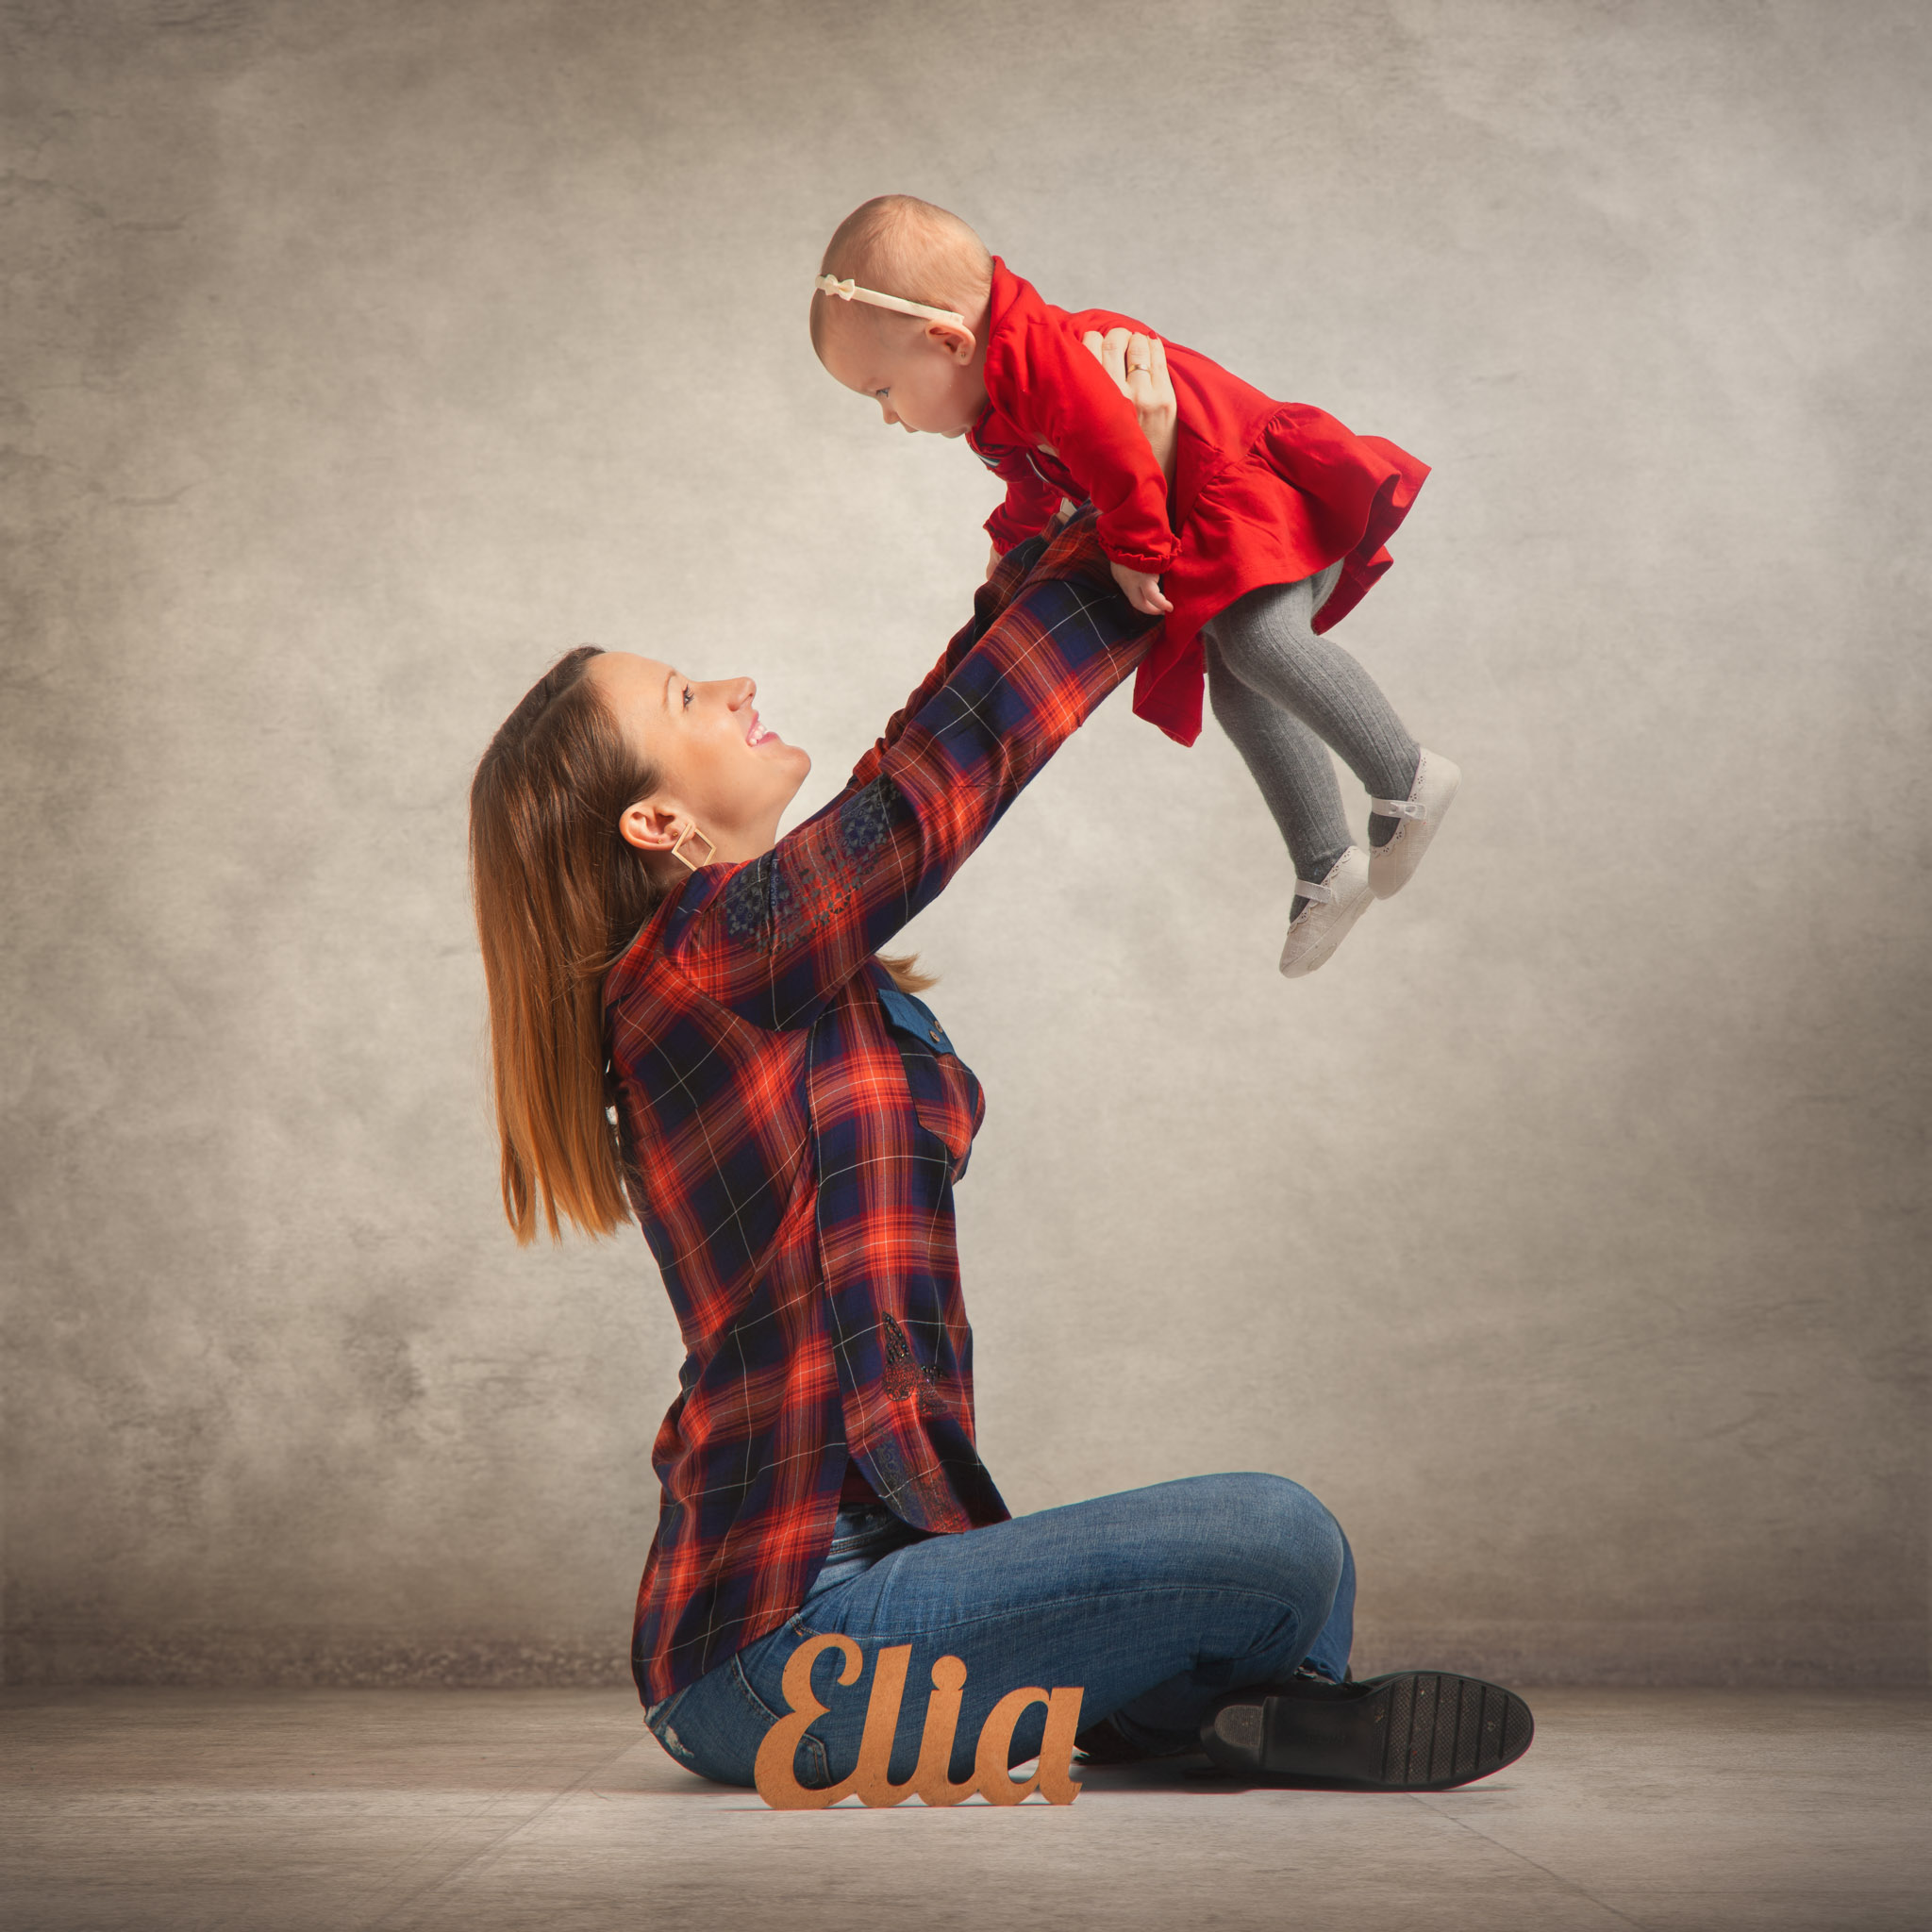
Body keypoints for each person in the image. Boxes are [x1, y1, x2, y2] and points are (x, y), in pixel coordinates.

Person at [468, 334, 1530, 1796]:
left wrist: (1066, 499)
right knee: (1276, 1538)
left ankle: (1241, 1715)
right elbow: (928, 791)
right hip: (778, 1651)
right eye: (682, 702)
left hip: (905, 1593)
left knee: (1292, 1556)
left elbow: (925, 729)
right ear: (654, 825)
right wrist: (1128, 533)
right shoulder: (698, 966)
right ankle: (1232, 1710)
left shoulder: (788, 968)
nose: (732, 683)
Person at [810, 193, 1459, 979]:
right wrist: (1010, 552)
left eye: (882, 390)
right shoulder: (998, 407)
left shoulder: (1050, 357)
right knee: (1239, 687)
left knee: (1260, 642)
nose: (887, 416)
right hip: (1203, 510)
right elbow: (1032, 489)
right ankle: (1326, 867)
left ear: (949, 340)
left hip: (1248, 487)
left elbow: (1119, 452)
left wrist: (1134, 548)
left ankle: (1407, 778)